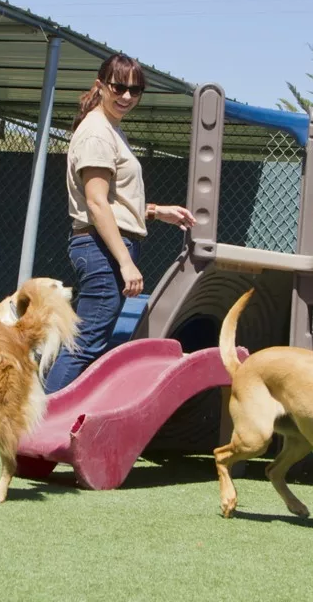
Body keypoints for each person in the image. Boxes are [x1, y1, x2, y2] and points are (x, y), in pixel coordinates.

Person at [43, 53, 196, 393]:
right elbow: (96, 204)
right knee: (85, 347)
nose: (127, 96)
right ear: (101, 86)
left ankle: (49, 428)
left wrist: (157, 211)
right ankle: (37, 434)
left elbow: (112, 202)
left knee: (87, 345)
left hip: (104, 247)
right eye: (119, 87)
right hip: (102, 251)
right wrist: (125, 263)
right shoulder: (98, 133)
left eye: (135, 90)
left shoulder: (110, 129)